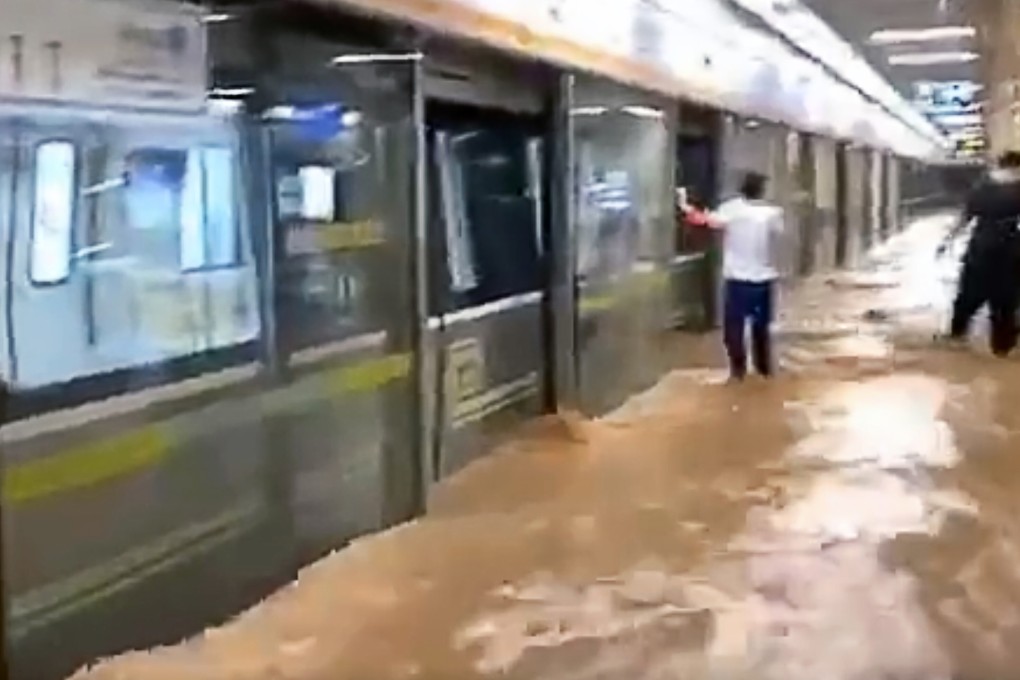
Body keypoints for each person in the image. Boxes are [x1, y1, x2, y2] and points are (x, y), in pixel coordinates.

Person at [937, 150, 1020, 356]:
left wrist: (947, 240)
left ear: (1000, 164)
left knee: (969, 292)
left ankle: (957, 333)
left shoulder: (982, 187)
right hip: (1010, 247)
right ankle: (1002, 346)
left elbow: (965, 217)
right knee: (1006, 299)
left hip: (981, 244)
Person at [708, 172, 785, 381]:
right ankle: (764, 371)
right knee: (761, 328)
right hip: (763, 279)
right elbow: (778, 236)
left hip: (737, 280)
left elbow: (708, 221)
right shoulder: (772, 213)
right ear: (762, 191)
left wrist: (685, 205)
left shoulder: (730, 209)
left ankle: (737, 371)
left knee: (734, 329)